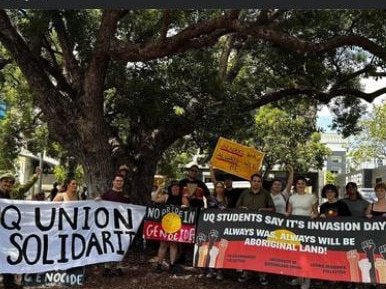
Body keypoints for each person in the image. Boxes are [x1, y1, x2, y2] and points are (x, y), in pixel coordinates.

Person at [0, 167, 42, 289]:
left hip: (8, 232)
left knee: (7, 256)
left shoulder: (13, 194)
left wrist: (35, 176)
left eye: (10, 182)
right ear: (0, 181)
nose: (8, 184)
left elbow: (24, 187)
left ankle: (8, 282)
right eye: (5, 181)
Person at [236, 173, 275, 286]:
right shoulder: (244, 193)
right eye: (254, 181)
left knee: (260, 251)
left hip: (261, 229)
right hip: (246, 228)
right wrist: (242, 209)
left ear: (261, 183)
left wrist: (264, 210)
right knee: (246, 251)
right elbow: (237, 207)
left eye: (259, 181)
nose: (256, 183)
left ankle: (262, 274)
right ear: (250, 181)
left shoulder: (266, 194)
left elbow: (273, 209)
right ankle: (245, 273)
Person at [286, 176, 318, 289]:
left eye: (303, 183)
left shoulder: (311, 197)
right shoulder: (292, 197)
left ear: (305, 185)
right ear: (296, 185)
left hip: (307, 229)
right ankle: (299, 278)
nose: (300, 185)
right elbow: (289, 212)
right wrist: (286, 215)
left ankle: (307, 280)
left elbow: (316, 213)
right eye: (298, 183)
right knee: (296, 254)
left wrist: (314, 215)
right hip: (295, 229)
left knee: (306, 254)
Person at [96, 174, 129, 276]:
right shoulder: (107, 194)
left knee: (120, 245)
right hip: (108, 224)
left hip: (120, 225)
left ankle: (119, 266)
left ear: (122, 183)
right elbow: (98, 200)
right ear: (113, 182)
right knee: (109, 244)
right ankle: (107, 267)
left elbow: (129, 210)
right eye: (117, 180)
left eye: (121, 181)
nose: (119, 182)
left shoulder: (125, 196)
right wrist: (96, 200)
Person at [153, 180, 189, 274]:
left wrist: (185, 205)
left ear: (179, 188)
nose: (175, 188)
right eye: (173, 186)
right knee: (163, 245)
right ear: (171, 188)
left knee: (174, 245)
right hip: (166, 224)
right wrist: (159, 189)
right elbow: (154, 199)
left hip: (176, 225)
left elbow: (188, 208)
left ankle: (172, 265)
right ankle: (159, 265)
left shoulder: (182, 198)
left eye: (177, 186)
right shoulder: (166, 196)